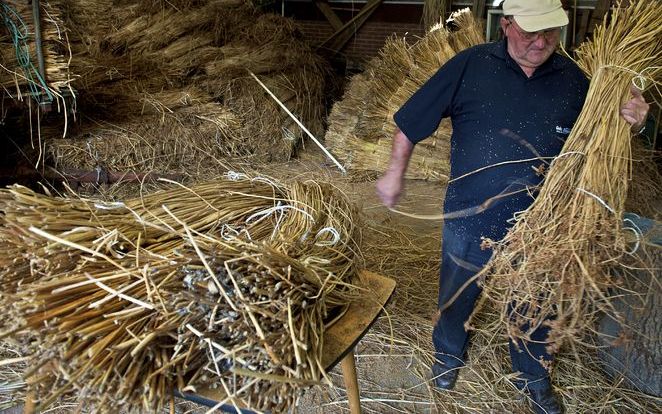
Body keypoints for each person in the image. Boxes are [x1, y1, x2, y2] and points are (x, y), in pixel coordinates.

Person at [375, 0, 650, 413]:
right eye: (530, 32)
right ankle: (448, 355)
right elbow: (412, 120)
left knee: (537, 302)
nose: (541, 42)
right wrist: (395, 174)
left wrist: (636, 118)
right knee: (456, 295)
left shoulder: (579, 82)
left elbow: (609, 134)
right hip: (470, 215)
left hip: (544, 225)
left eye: (551, 33)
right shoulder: (470, 65)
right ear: (505, 25)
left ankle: (533, 376)